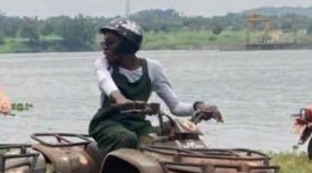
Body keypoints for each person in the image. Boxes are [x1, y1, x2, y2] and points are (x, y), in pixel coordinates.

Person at [89, 18, 222, 154]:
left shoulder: (153, 68)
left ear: (126, 45)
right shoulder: (103, 64)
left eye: (109, 42)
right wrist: (120, 99)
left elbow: (176, 107)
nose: (104, 47)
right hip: (108, 123)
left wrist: (198, 106)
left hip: (138, 125)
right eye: (104, 42)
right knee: (127, 138)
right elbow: (105, 82)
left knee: (160, 143)